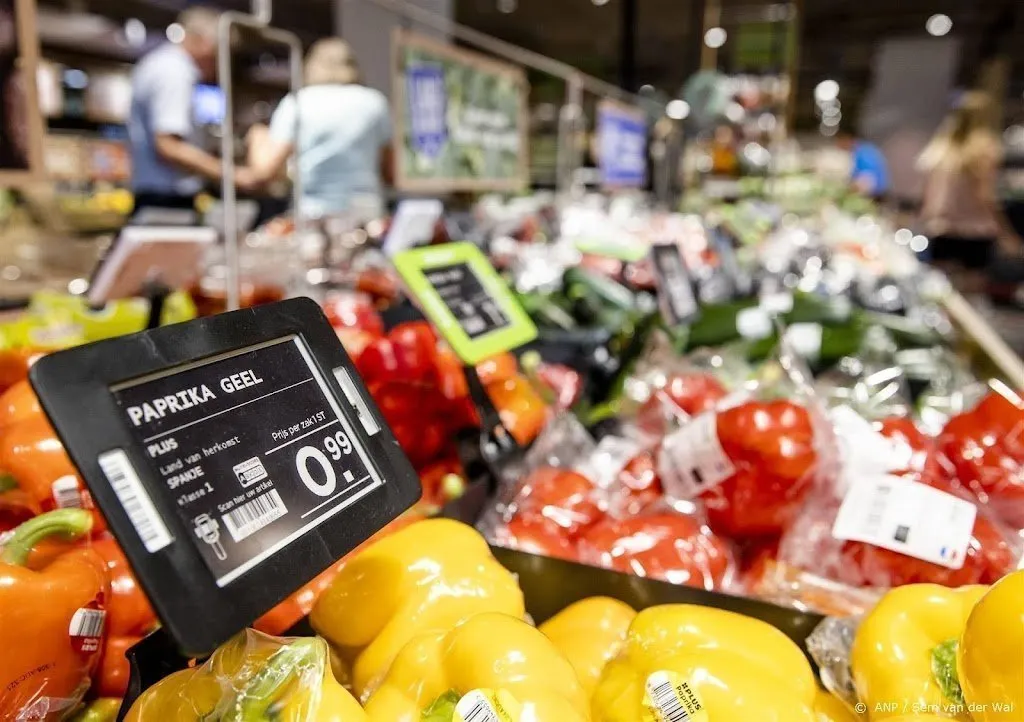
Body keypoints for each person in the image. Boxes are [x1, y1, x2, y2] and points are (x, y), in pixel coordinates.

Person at [128, 7, 256, 215]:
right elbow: (168, 146)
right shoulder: (175, 71)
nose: (218, 64)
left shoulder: (161, 63)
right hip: (166, 201)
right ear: (204, 42)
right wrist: (232, 174)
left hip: (159, 196)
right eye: (219, 53)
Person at [244, 38, 393, 218]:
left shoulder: (297, 102)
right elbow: (390, 172)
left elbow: (265, 171)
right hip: (367, 211)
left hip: (314, 212)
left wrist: (257, 136)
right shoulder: (374, 102)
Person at [919, 92, 1022, 292]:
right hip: (975, 232)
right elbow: (985, 196)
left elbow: (929, 195)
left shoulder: (942, 147)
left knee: (937, 294)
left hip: (942, 228)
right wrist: (1006, 232)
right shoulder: (984, 149)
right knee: (969, 297)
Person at [836, 128, 890, 200]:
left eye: (839, 141)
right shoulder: (861, 149)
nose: (838, 145)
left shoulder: (864, 152)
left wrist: (847, 191)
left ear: (846, 139)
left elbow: (867, 179)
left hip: (876, 196)